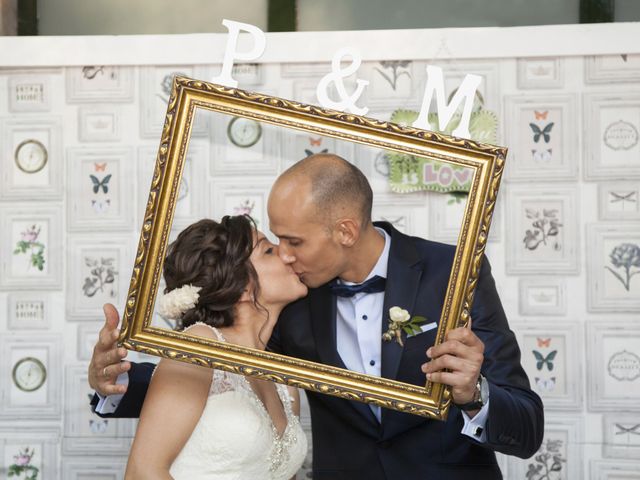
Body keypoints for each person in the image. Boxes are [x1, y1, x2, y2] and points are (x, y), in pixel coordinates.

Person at [90, 154, 544, 479]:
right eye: (273, 245)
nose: (285, 257)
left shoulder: (453, 273)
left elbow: (526, 427)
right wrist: (115, 381)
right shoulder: (292, 299)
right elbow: (215, 368)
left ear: (345, 230)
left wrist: (474, 393)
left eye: (293, 242)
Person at [122, 216, 308, 479]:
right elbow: (143, 472)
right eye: (269, 250)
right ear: (241, 285)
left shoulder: (284, 383)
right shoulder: (198, 347)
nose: (288, 255)